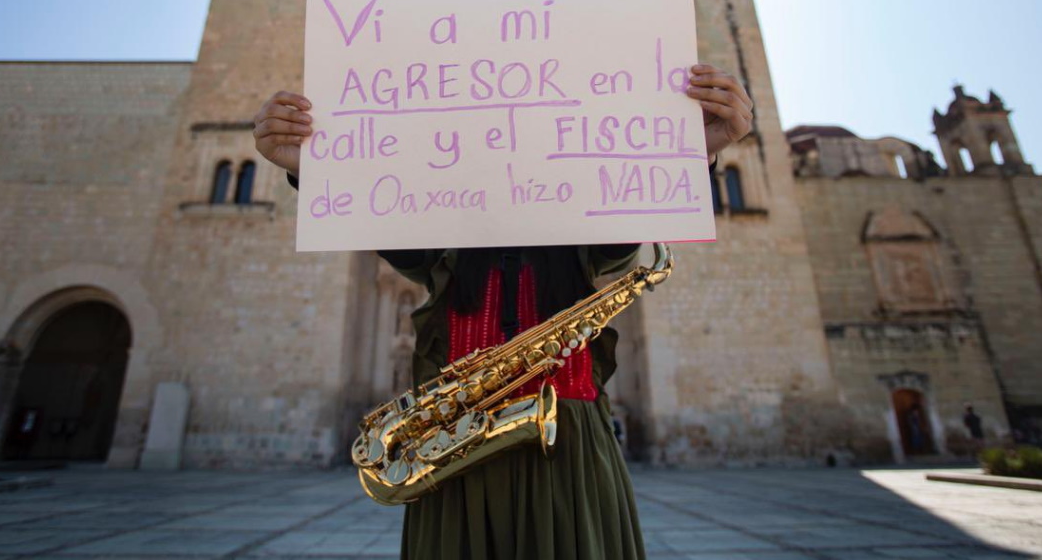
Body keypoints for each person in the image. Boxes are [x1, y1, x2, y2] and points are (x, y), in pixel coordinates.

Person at [254, 65, 753, 560]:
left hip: (569, 448)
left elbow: (625, 228)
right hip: (454, 450)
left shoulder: (583, 218)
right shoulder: (442, 227)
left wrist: (693, 151)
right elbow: (382, 224)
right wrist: (310, 167)